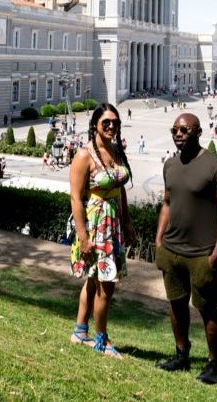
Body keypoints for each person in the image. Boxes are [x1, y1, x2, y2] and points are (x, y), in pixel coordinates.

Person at [155, 113, 217, 385]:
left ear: (199, 132)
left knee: (207, 309)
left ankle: (214, 365)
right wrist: (158, 239)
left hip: (203, 253)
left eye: (184, 130)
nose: (178, 134)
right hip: (172, 249)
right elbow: (167, 203)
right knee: (176, 304)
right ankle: (181, 353)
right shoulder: (170, 165)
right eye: (174, 129)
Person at [68, 104, 134, 358]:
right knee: (106, 284)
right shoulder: (85, 156)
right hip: (95, 225)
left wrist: (127, 221)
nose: (111, 127)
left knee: (95, 280)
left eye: (115, 123)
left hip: (113, 222)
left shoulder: (117, 151)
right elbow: (75, 198)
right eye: (106, 122)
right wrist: (83, 236)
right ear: (95, 123)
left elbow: (120, 188)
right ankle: (101, 340)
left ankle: (79, 331)